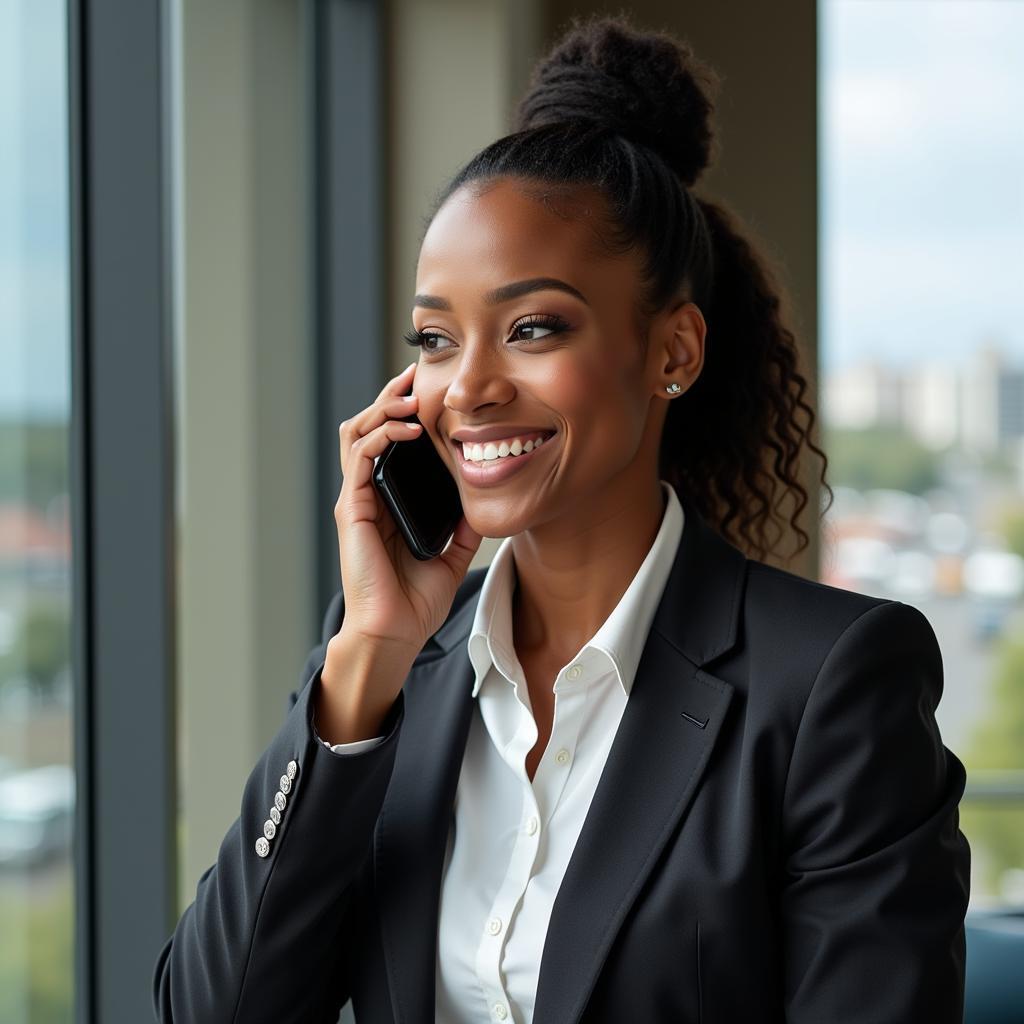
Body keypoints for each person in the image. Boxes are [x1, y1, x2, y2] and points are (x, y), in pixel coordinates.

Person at [153, 12, 971, 1023]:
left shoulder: (831, 684)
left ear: (672, 350)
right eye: (437, 339)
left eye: (533, 327)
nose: (469, 387)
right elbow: (216, 1009)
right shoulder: (387, 671)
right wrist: (365, 657)